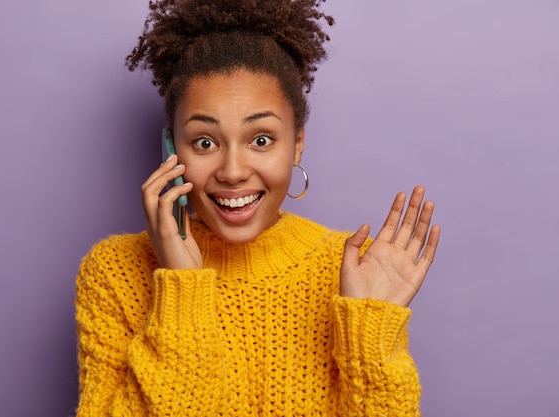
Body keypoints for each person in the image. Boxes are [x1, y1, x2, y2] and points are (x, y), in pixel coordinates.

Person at [74, 0, 441, 416]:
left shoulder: (353, 270)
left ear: (297, 143)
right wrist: (180, 288)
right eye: (205, 142)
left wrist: (370, 334)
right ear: (172, 148)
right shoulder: (114, 272)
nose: (232, 171)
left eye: (261, 140)